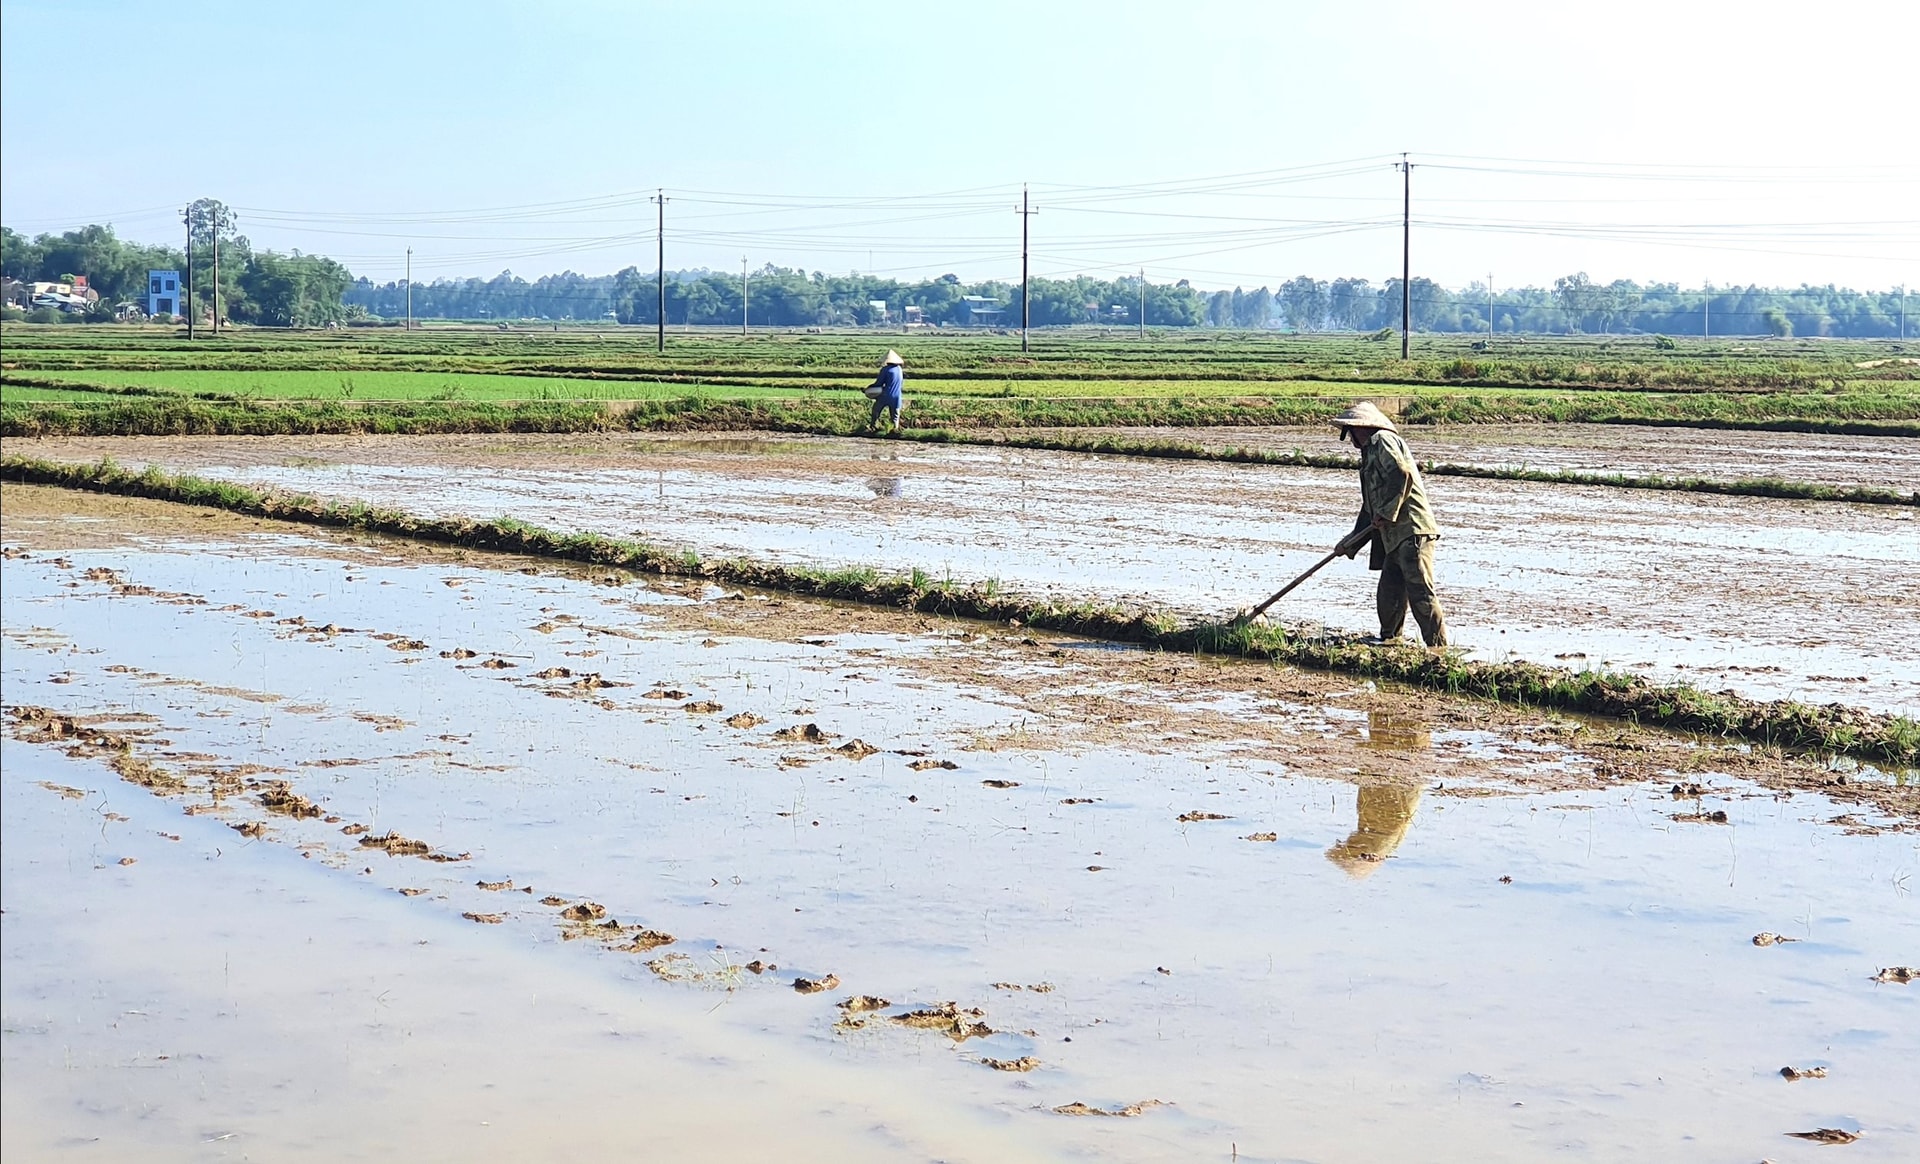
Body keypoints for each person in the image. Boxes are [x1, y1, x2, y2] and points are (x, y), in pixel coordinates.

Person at [1331, 401, 1449, 647]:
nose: (1349, 438)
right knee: (1389, 594)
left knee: (1420, 593)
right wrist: (1349, 544)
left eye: (1349, 431)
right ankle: (1390, 643)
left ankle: (1439, 650)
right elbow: (1369, 511)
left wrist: (1386, 513)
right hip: (1393, 536)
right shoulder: (1369, 454)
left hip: (1412, 530)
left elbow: (1401, 473)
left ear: (1359, 428)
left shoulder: (1383, 440)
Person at [864, 350, 905, 433]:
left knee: (876, 410)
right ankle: (895, 430)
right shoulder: (899, 369)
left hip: (886, 394)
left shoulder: (885, 369)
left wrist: (867, 389)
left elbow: (878, 383)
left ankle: (873, 427)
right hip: (897, 395)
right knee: (895, 416)